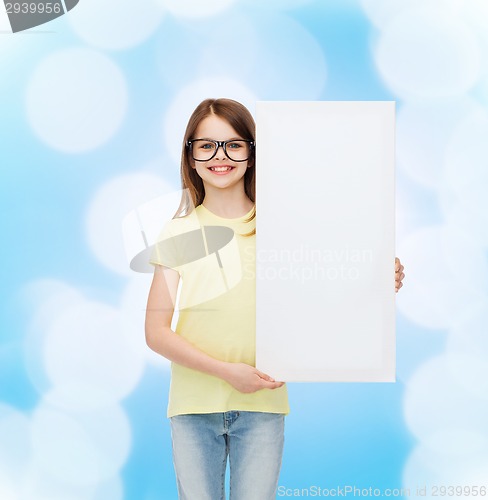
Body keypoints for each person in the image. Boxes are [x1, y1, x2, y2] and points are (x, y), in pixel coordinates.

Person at [144, 98, 405, 500]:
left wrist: (375, 282)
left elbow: (322, 295)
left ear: (252, 153)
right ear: (190, 156)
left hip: (264, 406)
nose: (221, 156)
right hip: (193, 406)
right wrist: (226, 371)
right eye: (206, 145)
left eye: (234, 144)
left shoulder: (284, 227)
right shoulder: (178, 233)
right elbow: (156, 332)